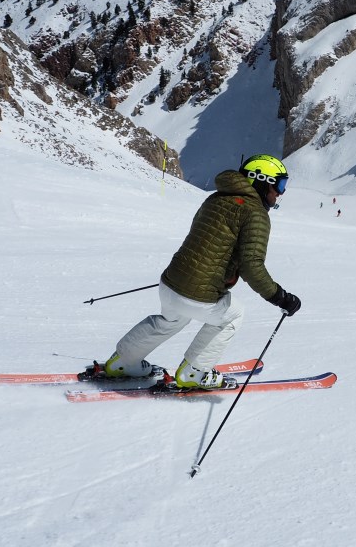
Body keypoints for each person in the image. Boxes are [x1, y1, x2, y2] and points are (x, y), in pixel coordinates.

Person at [92, 154, 302, 389]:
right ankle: (194, 372)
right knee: (233, 315)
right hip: (197, 294)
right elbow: (251, 265)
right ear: (260, 181)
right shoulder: (255, 213)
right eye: (279, 185)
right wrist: (280, 297)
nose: (280, 192)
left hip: (170, 282)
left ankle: (123, 362)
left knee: (170, 319)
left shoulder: (216, 198)